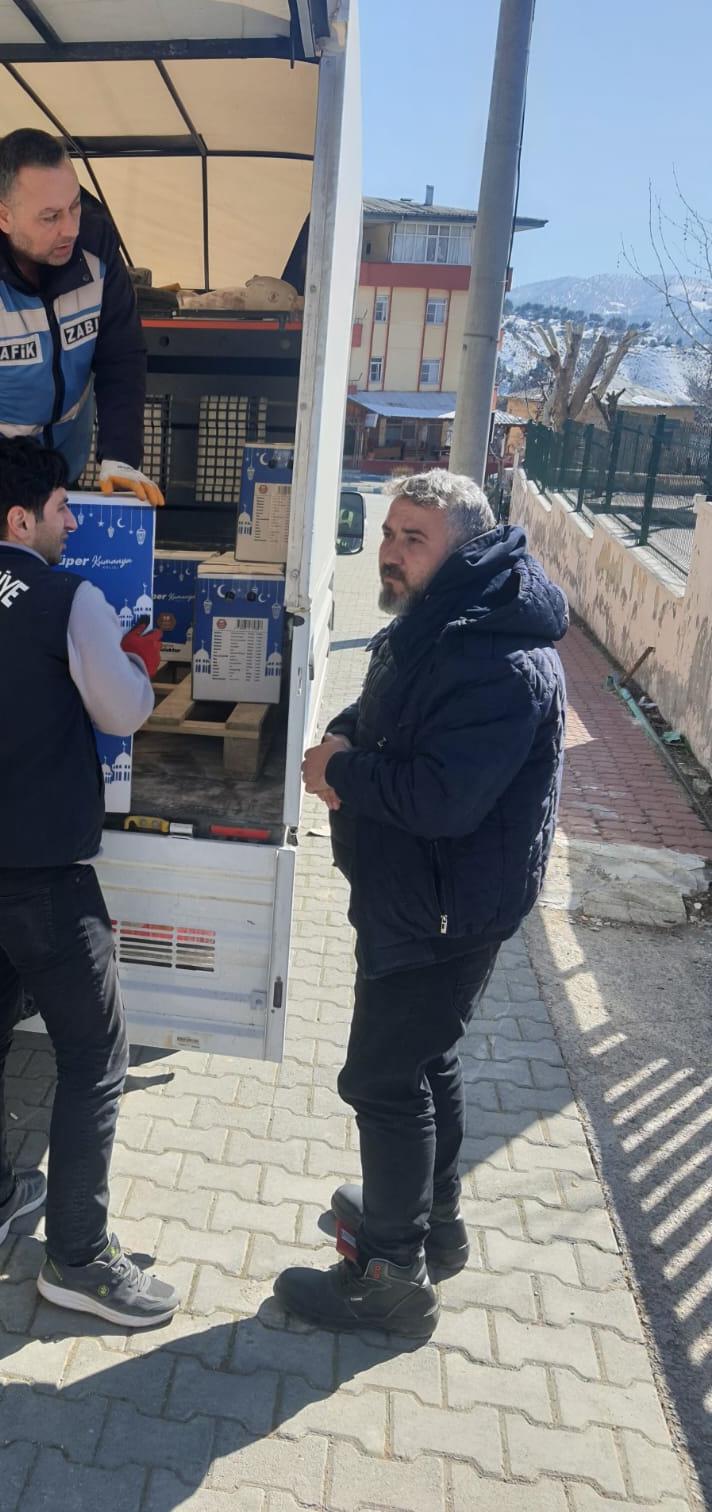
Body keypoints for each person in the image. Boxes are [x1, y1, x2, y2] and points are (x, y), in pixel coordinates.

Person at [275, 469, 567, 1338]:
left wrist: (345, 772)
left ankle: (390, 1275)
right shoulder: (444, 617)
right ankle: (432, 1225)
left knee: (382, 1078)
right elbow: (394, 712)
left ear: (465, 550)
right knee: (426, 1060)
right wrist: (349, 735)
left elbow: (444, 798)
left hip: (444, 911)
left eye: (414, 539)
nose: (390, 552)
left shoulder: (499, 659)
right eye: (389, 532)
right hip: (419, 896)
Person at [0, 439, 179, 1327]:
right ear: (21, 519)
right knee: (96, 1056)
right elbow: (122, 711)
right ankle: (79, 1259)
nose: (72, 523)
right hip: (41, 874)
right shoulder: (69, 597)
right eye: (62, 508)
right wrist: (138, 663)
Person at [0, 127, 163, 569]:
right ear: (3, 216)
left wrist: (120, 456)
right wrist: (6, 484)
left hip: (56, 465)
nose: (70, 229)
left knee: (53, 597)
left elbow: (121, 358)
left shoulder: (97, 245)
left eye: (74, 206)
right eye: (50, 217)